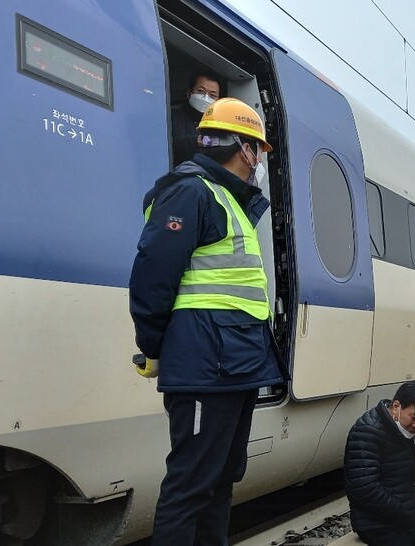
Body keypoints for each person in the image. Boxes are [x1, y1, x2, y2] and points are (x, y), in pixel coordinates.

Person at [130, 97, 284, 545]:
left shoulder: (230, 202)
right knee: (191, 486)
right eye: (258, 150)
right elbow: (152, 276)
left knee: (220, 482)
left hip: (234, 368)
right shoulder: (191, 191)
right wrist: (155, 347)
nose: (258, 162)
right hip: (205, 367)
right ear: (244, 149)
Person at [344, 381, 415, 546]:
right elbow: (364, 488)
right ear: (396, 406)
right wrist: (403, 511)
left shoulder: (399, 428)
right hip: (377, 523)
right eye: (413, 417)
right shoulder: (367, 432)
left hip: (404, 518)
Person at [171, 71, 224, 165]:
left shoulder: (219, 127)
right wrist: (195, 142)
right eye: (201, 91)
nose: (206, 98)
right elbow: (163, 145)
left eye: (212, 95)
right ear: (189, 93)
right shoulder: (172, 117)